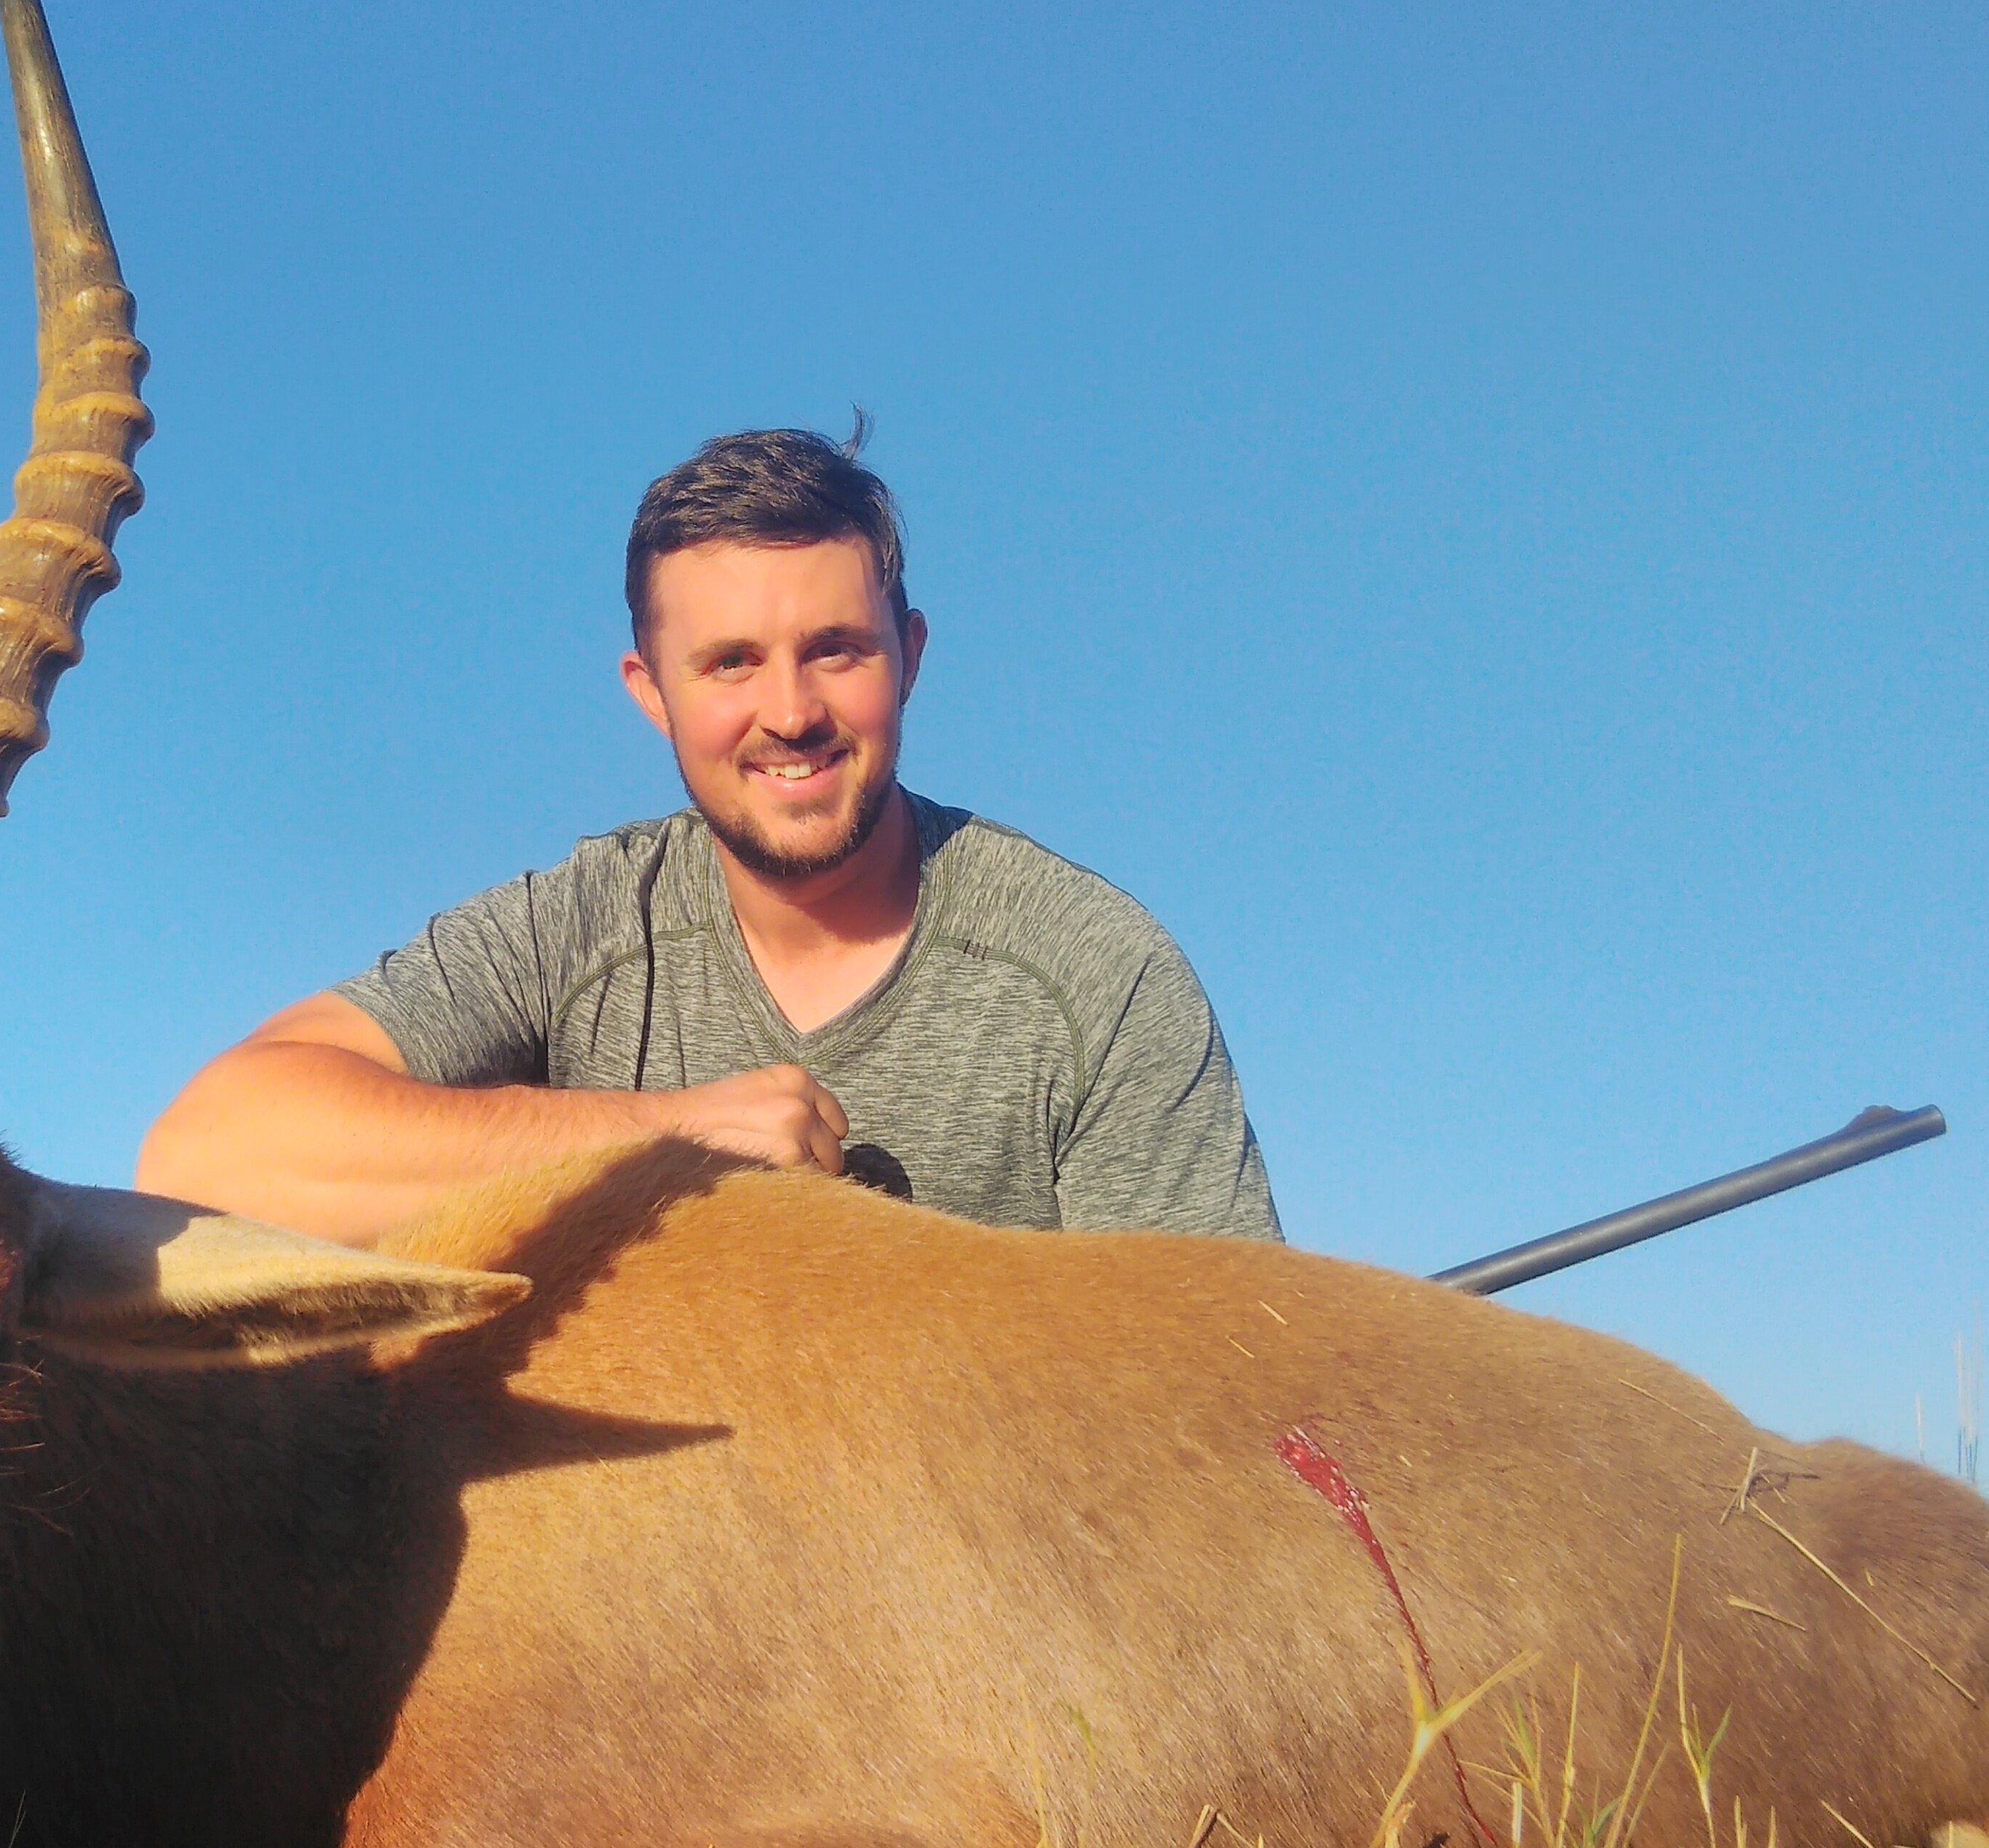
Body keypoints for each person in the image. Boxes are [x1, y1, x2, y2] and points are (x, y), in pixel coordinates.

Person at [136, 426, 1279, 1250]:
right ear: (651, 691)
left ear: (912, 656)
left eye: (837, 648)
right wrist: (665, 1138)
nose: (789, 712)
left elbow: (1227, 1379)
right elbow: (206, 1154)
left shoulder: (1091, 968)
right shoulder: (577, 928)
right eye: (729, 663)